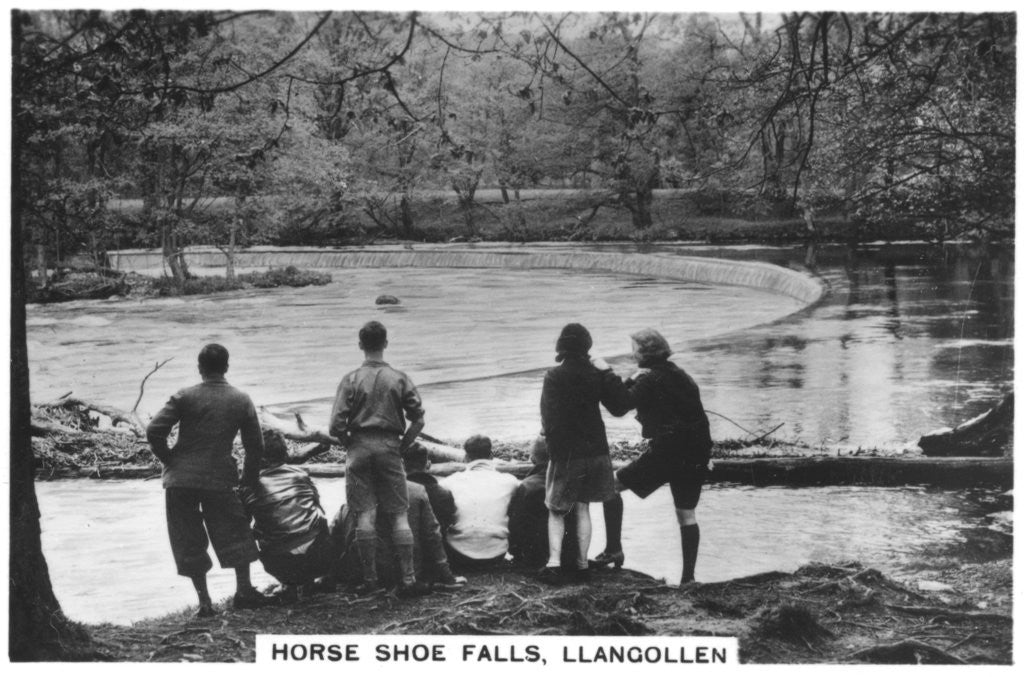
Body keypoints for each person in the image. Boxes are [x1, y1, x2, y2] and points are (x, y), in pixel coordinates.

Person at [146, 343, 273, 617]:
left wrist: (169, 459)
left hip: (180, 481)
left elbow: (154, 430)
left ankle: (205, 603)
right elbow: (255, 447)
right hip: (220, 478)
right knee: (235, 531)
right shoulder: (241, 399)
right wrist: (247, 480)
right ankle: (244, 590)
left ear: (200, 368)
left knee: (187, 539)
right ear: (226, 367)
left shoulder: (185, 396)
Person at [597, 328, 712, 585]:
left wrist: (606, 373)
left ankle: (613, 549)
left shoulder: (649, 378)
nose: (632, 352)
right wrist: (632, 379)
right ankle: (688, 579)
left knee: (609, 488)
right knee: (686, 514)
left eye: (635, 348)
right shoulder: (679, 374)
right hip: (696, 451)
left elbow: (618, 407)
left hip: (668, 450)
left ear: (646, 352)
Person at [329, 320, 429, 597]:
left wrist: (352, 443)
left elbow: (335, 426)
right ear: (385, 343)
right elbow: (418, 419)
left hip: (359, 448)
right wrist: (403, 445)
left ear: (361, 345)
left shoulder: (350, 379)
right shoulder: (399, 377)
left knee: (365, 515)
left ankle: (370, 580)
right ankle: (408, 579)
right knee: (399, 516)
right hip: (389, 447)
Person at [539, 322, 631, 583]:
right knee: (583, 507)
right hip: (597, 449)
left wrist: (553, 452)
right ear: (587, 347)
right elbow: (621, 406)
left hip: (567, 452)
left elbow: (548, 419)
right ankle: (582, 566)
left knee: (556, 509)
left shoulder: (553, 376)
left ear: (561, 348)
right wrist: (608, 371)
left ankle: (554, 564)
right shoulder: (596, 374)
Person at [239, 430, 335, 602]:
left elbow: (244, 525)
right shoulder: (301, 475)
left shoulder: (248, 486)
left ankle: (289, 586)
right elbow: (318, 506)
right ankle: (311, 583)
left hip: (281, 565)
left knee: (260, 531)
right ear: (285, 452)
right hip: (318, 558)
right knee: (326, 521)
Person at [439, 434, 520, 570]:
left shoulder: (448, 482)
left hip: (459, 554)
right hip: (497, 554)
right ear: (492, 455)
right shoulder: (510, 481)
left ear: (466, 457)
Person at [507, 436, 579, 570]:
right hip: (569, 556)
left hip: (535, 557)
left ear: (532, 459)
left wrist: (516, 553)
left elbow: (515, 527)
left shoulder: (527, 486)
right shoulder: (572, 483)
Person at [403, 442, 456, 537]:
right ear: (428, 464)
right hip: (435, 546)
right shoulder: (444, 494)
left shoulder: (396, 492)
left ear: (403, 464)